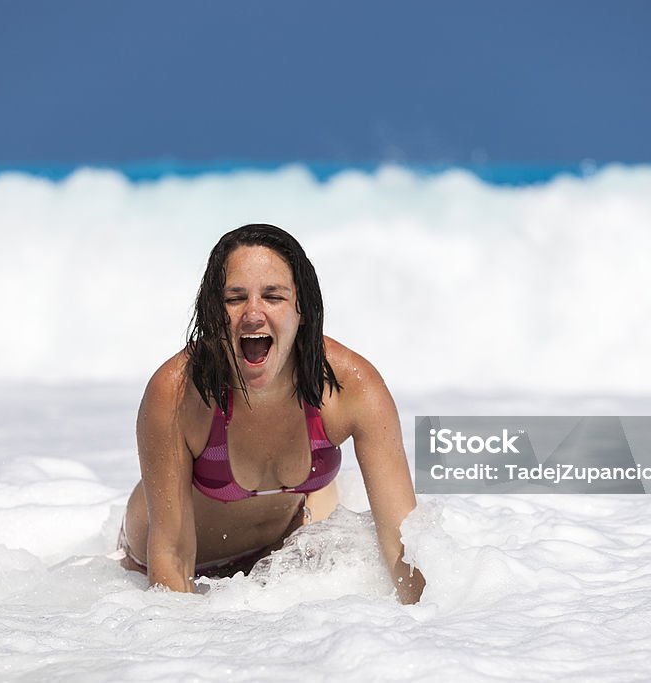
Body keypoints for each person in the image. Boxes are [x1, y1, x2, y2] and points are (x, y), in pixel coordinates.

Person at [118, 223, 425, 604]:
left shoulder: (351, 387)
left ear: (303, 308)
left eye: (273, 296)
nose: (253, 314)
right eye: (234, 298)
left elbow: (403, 544)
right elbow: (172, 558)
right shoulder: (180, 391)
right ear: (213, 311)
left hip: (274, 552)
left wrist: (425, 637)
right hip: (154, 563)